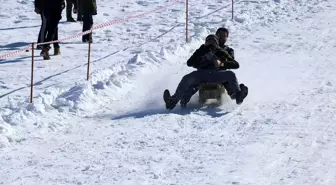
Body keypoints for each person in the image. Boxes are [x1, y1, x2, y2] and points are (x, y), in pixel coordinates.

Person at [163, 34, 248, 110]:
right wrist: (202, 59)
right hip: (201, 74)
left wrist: (221, 64)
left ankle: (238, 95)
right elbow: (189, 63)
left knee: (231, 74)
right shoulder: (201, 50)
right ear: (205, 42)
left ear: (217, 43)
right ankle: (173, 100)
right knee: (186, 78)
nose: (211, 43)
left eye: (213, 41)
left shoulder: (220, 52)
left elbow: (235, 64)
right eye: (209, 41)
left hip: (216, 74)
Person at [179, 27, 236, 107]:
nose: (221, 38)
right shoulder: (204, 48)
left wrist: (221, 63)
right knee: (196, 82)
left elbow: (230, 62)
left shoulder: (228, 50)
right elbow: (193, 61)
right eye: (220, 35)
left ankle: (235, 94)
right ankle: (184, 100)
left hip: (219, 73)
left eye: (224, 36)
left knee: (227, 79)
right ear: (216, 35)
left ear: (227, 38)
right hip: (204, 73)